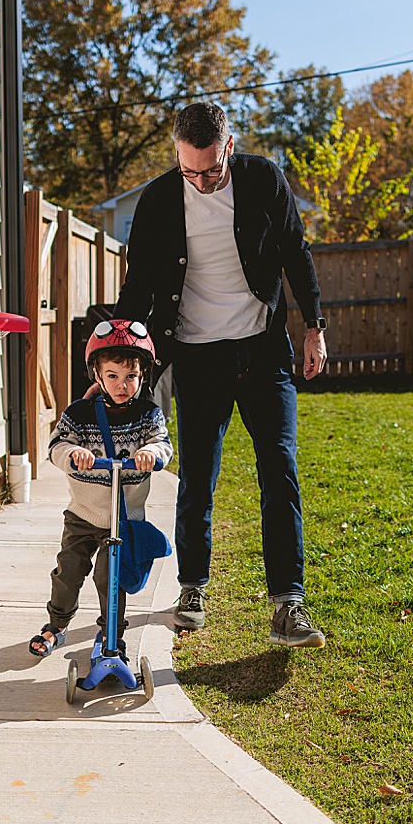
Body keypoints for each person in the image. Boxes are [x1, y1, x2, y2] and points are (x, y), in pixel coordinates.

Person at [113, 101, 329, 649]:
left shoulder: (262, 180)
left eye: (212, 170)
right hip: (197, 355)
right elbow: (138, 285)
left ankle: (288, 603)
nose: (203, 182)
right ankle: (192, 588)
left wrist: (314, 326)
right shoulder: (160, 200)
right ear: (177, 158)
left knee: (279, 466)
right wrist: (117, 350)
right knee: (198, 479)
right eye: (191, 171)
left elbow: (294, 252)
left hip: (262, 349)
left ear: (229, 147)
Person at [30, 320, 173, 658]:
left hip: (122, 520)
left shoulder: (148, 414)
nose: (122, 385)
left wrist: (150, 453)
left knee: (111, 580)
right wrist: (73, 454)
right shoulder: (79, 413)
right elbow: (57, 446)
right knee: (69, 570)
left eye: (131, 377)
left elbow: (162, 444)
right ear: (96, 373)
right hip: (84, 513)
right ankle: (57, 625)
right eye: (113, 376)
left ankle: (112, 638)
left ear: (143, 376)